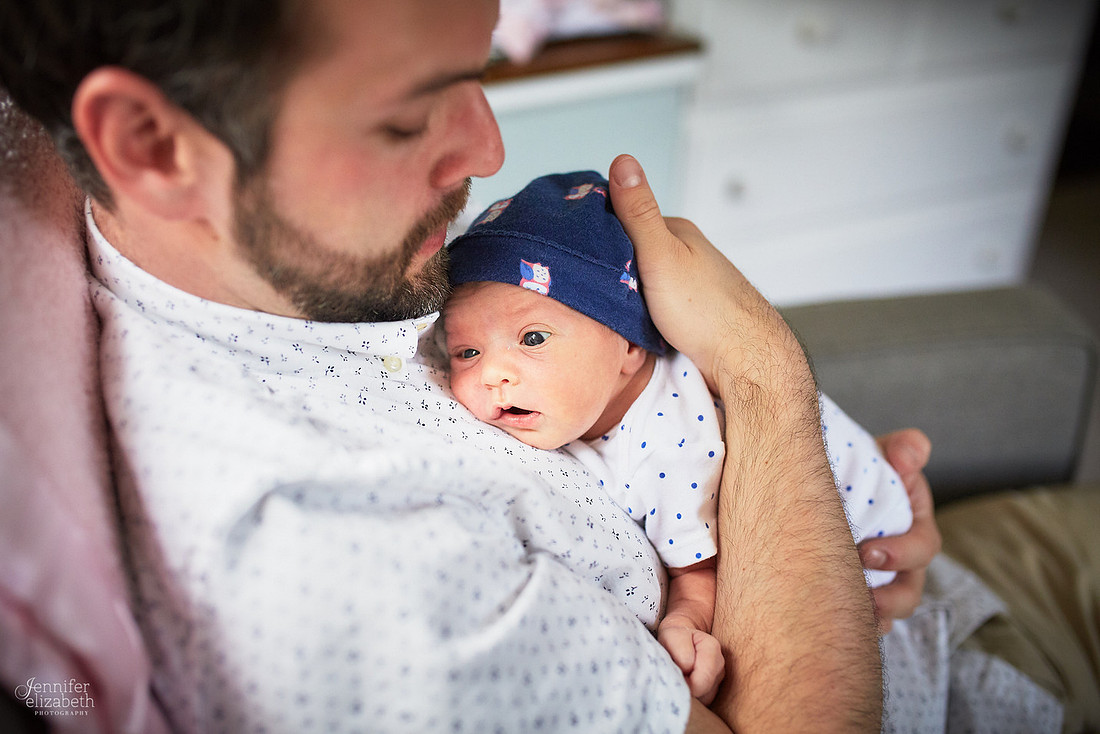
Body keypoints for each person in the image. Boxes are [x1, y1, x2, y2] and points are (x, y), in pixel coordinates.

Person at [0, 1, 941, 731]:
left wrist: (835, 507)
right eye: (410, 118)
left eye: (479, 69)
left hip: (891, 599)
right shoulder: (346, 574)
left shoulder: (316, 267)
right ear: (149, 145)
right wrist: (765, 373)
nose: (489, 151)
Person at [442, 171, 914, 700]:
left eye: (533, 338)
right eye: (467, 352)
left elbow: (703, 570)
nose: (491, 374)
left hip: (862, 545)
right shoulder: (584, 405)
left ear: (628, 347)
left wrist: (685, 621)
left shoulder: (668, 447)